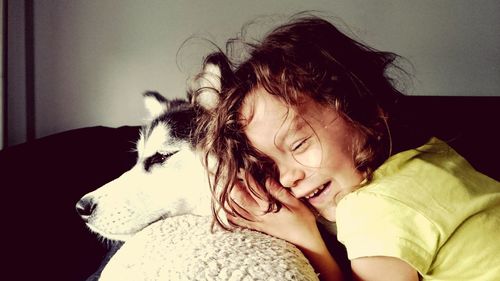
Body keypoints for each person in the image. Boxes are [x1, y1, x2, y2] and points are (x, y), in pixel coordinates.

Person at [193, 14, 500, 281]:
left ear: (363, 111)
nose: (287, 178)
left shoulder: (372, 207)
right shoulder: (431, 157)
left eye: (298, 144)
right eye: (271, 166)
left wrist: (305, 238)